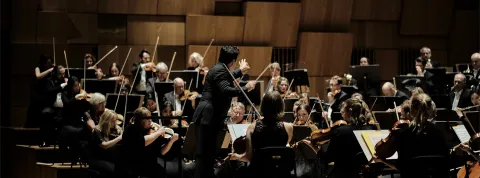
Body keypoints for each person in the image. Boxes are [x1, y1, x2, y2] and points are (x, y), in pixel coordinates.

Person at [192, 46, 256, 178]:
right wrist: (246, 87)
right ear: (232, 61)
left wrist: (240, 71)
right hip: (209, 118)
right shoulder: (220, 70)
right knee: (206, 157)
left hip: (208, 117)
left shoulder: (218, 68)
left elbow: (227, 76)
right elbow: (226, 90)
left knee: (207, 157)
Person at [375, 93, 449, 177]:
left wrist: (383, 161)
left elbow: (402, 167)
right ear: (430, 110)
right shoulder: (440, 133)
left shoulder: (403, 133)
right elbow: (445, 163)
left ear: (411, 110)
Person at [228, 91, 294, 177]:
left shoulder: (252, 127)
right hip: (280, 172)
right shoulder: (289, 127)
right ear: (281, 106)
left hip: (258, 172)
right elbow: (280, 149)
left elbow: (248, 157)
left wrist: (237, 156)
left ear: (263, 106)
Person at [117, 107, 179, 178]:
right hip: (133, 165)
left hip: (149, 165)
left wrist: (171, 141)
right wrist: (158, 133)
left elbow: (161, 152)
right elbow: (142, 142)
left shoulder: (151, 131)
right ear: (139, 120)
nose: (150, 121)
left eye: (150, 118)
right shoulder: (131, 129)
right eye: (147, 119)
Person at [325, 98, 376, 178]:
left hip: (344, 174)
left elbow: (329, 157)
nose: (342, 114)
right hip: (366, 174)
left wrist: (318, 150)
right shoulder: (371, 129)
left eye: (343, 112)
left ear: (349, 112)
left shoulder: (340, 131)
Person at [88, 109, 123, 178]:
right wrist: (120, 137)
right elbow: (104, 146)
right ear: (106, 121)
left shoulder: (116, 129)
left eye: (115, 121)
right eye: (113, 121)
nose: (115, 123)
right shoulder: (97, 130)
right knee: (116, 170)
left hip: (112, 158)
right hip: (99, 158)